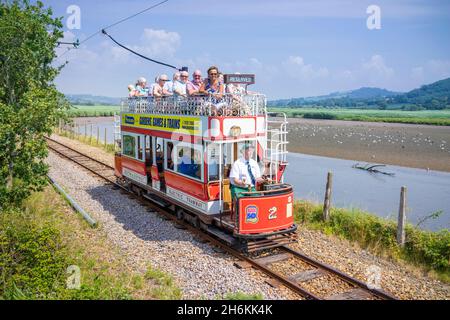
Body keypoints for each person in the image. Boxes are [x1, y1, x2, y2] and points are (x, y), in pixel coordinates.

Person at [229, 142, 264, 213]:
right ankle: (238, 218)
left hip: (251, 188)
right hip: (238, 188)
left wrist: (264, 180)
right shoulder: (237, 163)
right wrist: (241, 183)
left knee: (258, 200)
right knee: (241, 201)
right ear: (243, 152)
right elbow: (235, 179)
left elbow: (257, 178)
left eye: (251, 150)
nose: (250, 152)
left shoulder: (254, 163)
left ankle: (254, 218)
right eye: (248, 150)